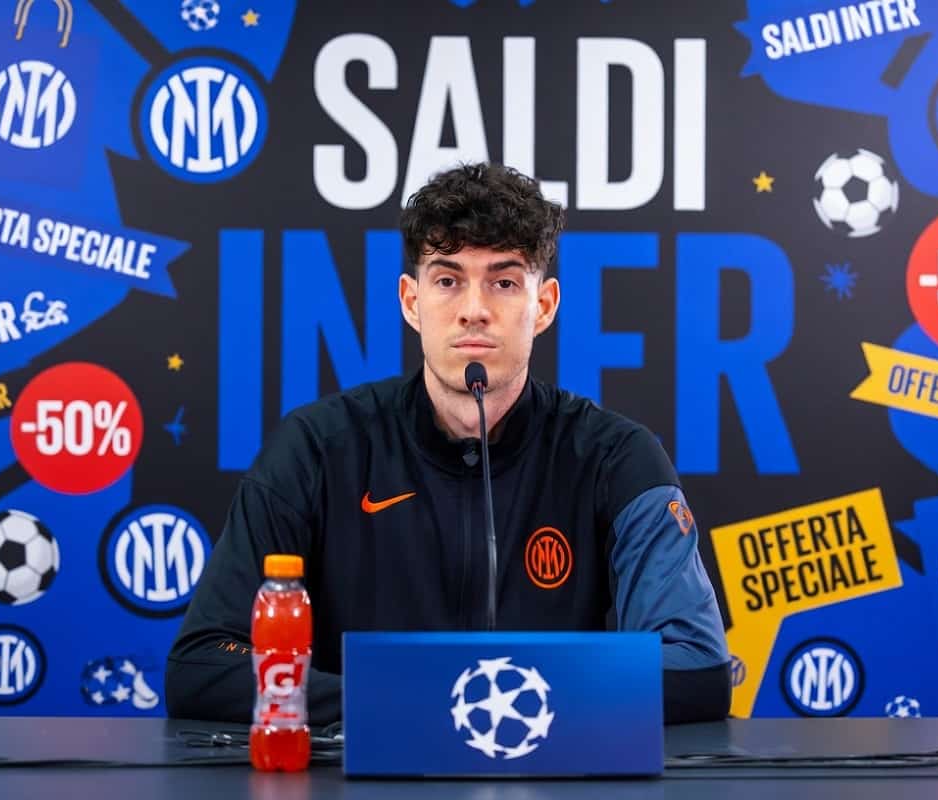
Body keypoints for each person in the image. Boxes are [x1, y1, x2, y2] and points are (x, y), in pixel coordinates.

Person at [165, 162, 731, 725]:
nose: (474, 310)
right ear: (411, 301)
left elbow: (697, 667)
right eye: (447, 280)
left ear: (543, 306)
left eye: (504, 282)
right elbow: (204, 662)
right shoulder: (317, 448)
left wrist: (500, 701)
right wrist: (424, 698)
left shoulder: (616, 458)